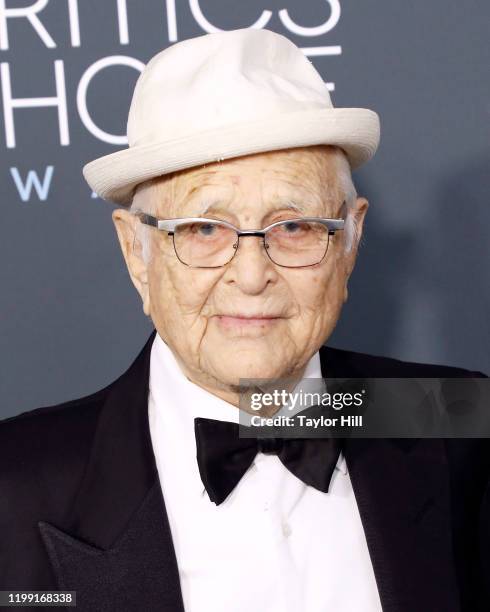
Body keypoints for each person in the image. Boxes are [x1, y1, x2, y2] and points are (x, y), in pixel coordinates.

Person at [0, 28, 488, 612]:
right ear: (137, 252)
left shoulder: (455, 417)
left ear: (351, 240)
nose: (252, 274)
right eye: (204, 230)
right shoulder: (14, 485)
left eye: (295, 226)